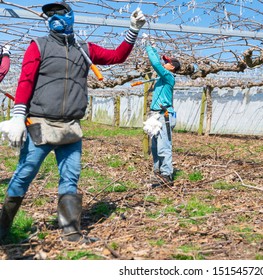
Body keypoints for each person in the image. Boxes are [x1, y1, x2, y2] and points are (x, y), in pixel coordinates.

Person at [0, 1, 145, 243]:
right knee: (24, 173)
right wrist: (17, 116)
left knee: (70, 176)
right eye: (50, 14)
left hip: (71, 127)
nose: (55, 17)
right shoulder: (38, 46)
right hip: (40, 123)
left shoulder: (84, 49)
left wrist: (133, 30)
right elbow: (25, 81)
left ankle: (72, 232)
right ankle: (3, 229)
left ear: (71, 16)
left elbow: (117, 57)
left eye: (60, 12)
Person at [145, 44, 181, 188]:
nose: (164, 63)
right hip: (157, 115)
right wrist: (154, 48)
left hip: (165, 115)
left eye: (167, 62)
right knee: (154, 147)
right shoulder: (162, 78)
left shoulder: (168, 76)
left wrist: (147, 47)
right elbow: (157, 62)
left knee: (163, 146)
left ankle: (167, 176)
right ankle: (158, 173)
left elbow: (155, 63)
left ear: (172, 67)